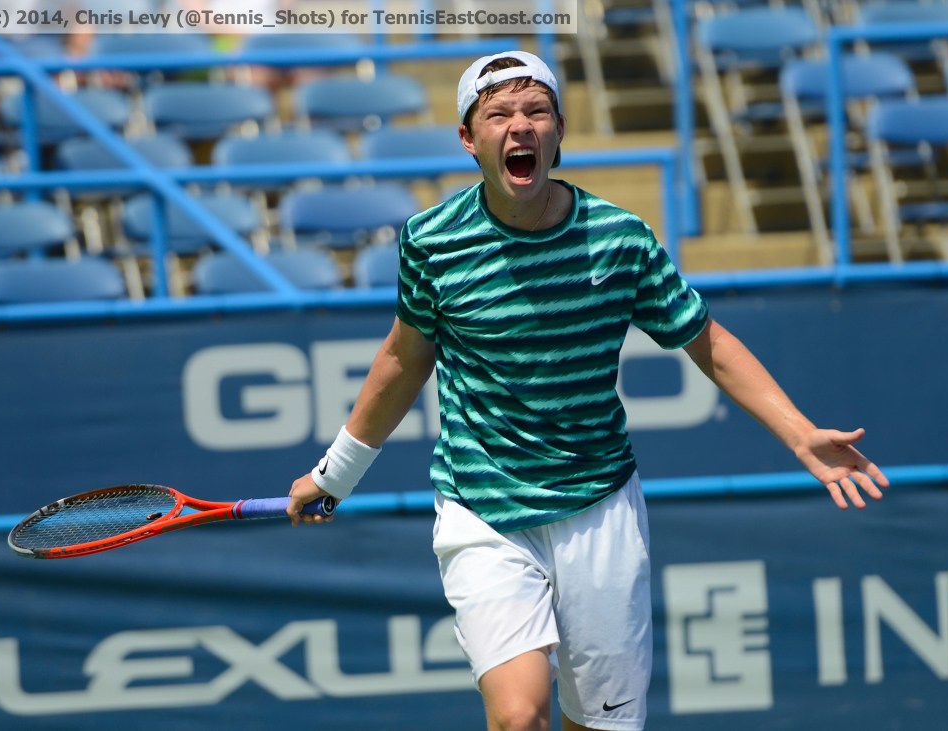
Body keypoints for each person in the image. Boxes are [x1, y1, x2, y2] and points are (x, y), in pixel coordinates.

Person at [287, 50, 889, 731]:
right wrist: (335, 471)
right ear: (468, 138)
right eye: (500, 115)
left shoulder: (619, 240)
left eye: (536, 112)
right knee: (518, 716)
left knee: (596, 725)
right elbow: (403, 361)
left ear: (559, 132)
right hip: (484, 507)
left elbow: (707, 341)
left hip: (599, 508)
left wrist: (799, 431)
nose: (521, 127)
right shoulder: (430, 243)